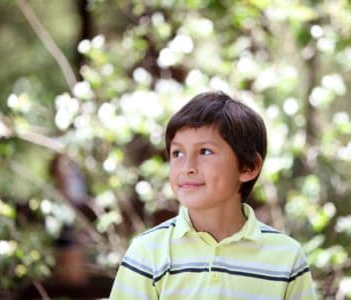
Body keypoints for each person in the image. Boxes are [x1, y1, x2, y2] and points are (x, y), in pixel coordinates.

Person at [109, 91, 316, 299]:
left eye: (205, 151)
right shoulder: (147, 252)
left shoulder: (287, 258)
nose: (187, 167)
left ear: (248, 167)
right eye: (177, 153)